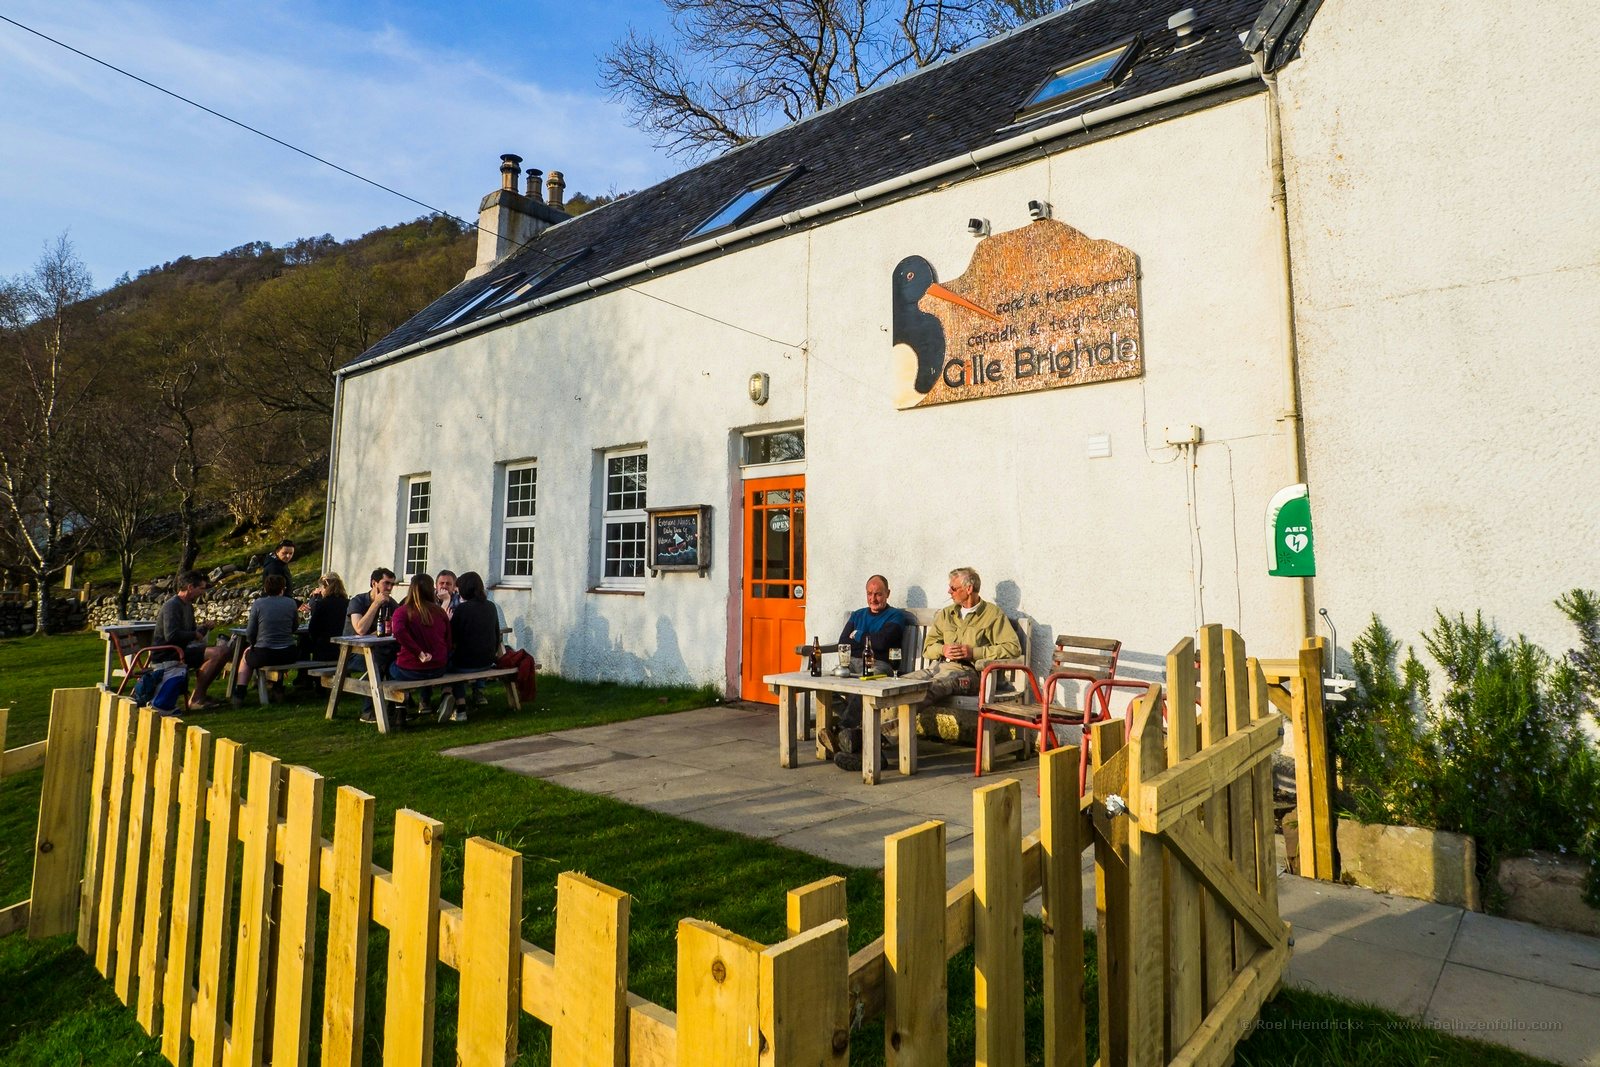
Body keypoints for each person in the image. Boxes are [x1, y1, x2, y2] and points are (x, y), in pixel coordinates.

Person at [817, 575, 910, 768]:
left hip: (880, 664)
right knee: (824, 684)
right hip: (851, 663)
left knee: (864, 684)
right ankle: (851, 738)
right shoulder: (858, 615)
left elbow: (884, 642)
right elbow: (844, 642)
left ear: (888, 594)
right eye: (870, 594)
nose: (873, 599)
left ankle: (842, 729)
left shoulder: (895, 616)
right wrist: (868, 642)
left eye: (878, 594)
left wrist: (858, 635)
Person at [902, 566, 1021, 701]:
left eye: (953, 588)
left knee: (928, 689)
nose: (949, 591)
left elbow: (1013, 648)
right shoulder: (947, 613)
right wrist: (943, 649)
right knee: (899, 685)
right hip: (937, 668)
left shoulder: (992, 614)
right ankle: (897, 721)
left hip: (968, 673)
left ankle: (900, 721)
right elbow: (927, 648)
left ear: (969, 589)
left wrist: (974, 652)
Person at [150, 570, 231, 711]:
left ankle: (200, 695)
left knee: (223, 651)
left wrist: (204, 628)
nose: (203, 592)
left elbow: (192, 631)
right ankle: (197, 699)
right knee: (219, 653)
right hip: (168, 653)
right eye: (201, 588)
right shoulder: (172, 606)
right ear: (190, 587)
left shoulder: (187, 606)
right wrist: (194, 635)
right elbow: (171, 635)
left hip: (182, 649)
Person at [388, 572, 451, 721]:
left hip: (411, 669)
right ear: (432, 589)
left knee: (389, 668)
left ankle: (400, 708)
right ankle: (425, 701)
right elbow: (448, 640)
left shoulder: (402, 611)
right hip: (438, 668)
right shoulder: (439, 612)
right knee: (406, 667)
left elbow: (398, 631)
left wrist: (419, 653)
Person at [233, 574, 299, 705]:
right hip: (288, 653)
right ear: (283, 588)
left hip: (265, 652)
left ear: (265, 588)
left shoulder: (259, 604)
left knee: (246, 656)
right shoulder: (291, 603)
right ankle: (278, 687)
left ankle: (240, 692)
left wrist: (252, 644)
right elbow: (295, 626)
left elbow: (251, 631)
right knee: (280, 657)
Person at [447, 571, 502, 722]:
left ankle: (460, 707)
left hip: (465, 664)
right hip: (487, 661)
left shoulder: (462, 610)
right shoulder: (491, 607)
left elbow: (450, 638)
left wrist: (447, 619)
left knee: (449, 665)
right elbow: (497, 635)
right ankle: (477, 694)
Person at [296, 572, 349, 689]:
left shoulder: (322, 604)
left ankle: (304, 678)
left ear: (325, 587)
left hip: (325, 646)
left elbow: (313, 629)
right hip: (343, 645)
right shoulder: (348, 603)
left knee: (303, 642)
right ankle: (305, 678)